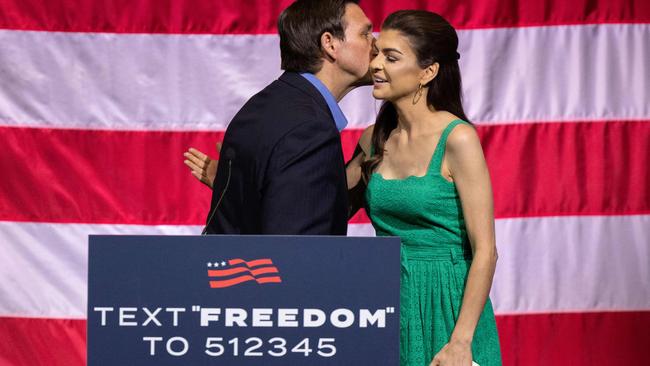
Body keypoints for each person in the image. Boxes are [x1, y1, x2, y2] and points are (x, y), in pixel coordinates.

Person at [187, 8, 502, 366]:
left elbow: (486, 250)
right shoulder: (374, 139)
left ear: (427, 72)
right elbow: (319, 205)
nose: (376, 62)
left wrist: (461, 342)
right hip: (387, 303)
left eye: (390, 56)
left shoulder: (458, 138)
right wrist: (238, 185)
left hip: (447, 304)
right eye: (376, 48)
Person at [183, 0, 374, 235]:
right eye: (366, 33)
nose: (377, 45)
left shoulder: (263, 104)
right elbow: (296, 250)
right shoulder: (310, 130)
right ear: (330, 44)